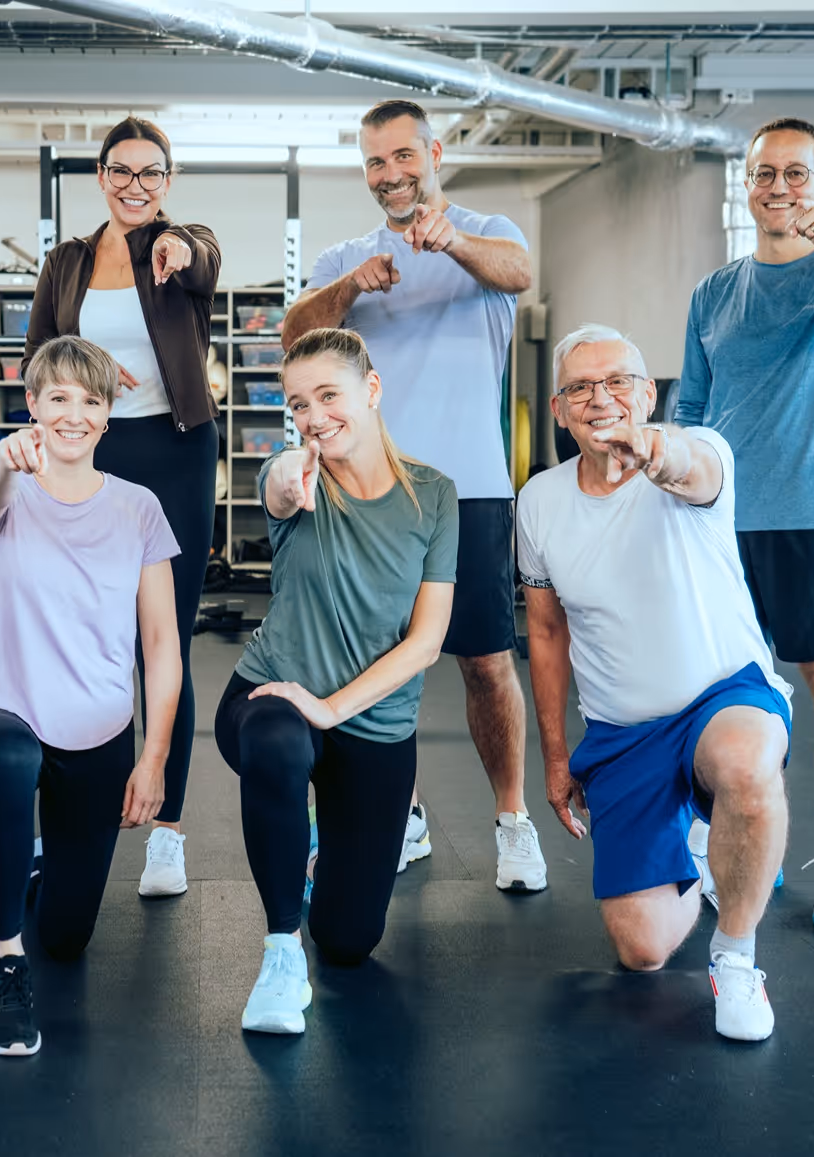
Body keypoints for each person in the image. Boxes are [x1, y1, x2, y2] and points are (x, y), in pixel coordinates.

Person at [281, 99, 544, 892]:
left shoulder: (490, 232)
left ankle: (512, 819)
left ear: (433, 152)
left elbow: (519, 275)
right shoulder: (345, 256)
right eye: (373, 162)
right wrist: (352, 288)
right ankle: (409, 816)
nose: (390, 174)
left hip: (469, 489)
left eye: (402, 157)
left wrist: (452, 241)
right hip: (371, 490)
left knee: (487, 663)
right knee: (380, 663)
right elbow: (295, 332)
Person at [519, 324, 791, 1041]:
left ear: (647, 394)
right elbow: (546, 634)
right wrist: (554, 755)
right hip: (622, 730)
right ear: (558, 409)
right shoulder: (539, 501)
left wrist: (654, 449)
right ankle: (705, 844)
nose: (598, 397)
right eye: (580, 386)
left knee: (743, 762)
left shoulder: (702, 455)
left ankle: (736, 958)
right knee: (641, 949)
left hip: (723, 693)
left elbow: (691, 467)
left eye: (616, 382)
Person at [675, 117, 814, 932]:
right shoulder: (714, 291)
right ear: (747, 182)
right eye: (765, 173)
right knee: (728, 692)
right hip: (723, 519)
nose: (778, 187)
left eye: (796, 174)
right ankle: (737, 840)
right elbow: (691, 405)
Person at [218, 328, 457, 1035]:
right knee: (280, 743)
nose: (314, 415)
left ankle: (321, 863)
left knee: (350, 943)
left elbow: (427, 641)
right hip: (271, 701)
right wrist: (288, 475)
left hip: (371, 722)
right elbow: (281, 485)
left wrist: (331, 707)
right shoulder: (298, 477)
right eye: (298, 404)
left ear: (371, 389)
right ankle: (280, 949)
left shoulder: (435, 497)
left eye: (329, 395)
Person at [0, 335, 181, 1055]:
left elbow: (162, 647)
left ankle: (39, 863)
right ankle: (5, 963)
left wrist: (155, 760)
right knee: (14, 761)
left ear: (108, 415)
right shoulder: (8, 489)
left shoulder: (139, 508)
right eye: (58, 399)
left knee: (71, 937)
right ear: (34, 406)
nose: (73, 414)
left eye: (90, 400)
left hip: (100, 734)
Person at [23, 116, 220, 899]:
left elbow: (200, 257)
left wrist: (177, 249)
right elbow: (40, 357)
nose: (136, 186)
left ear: (167, 182)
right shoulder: (67, 262)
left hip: (174, 453)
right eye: (121, 172)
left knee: (159, 636)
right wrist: (88, 365)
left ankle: (166, 826)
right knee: (76, 631)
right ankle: (65, 810)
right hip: (86, 451)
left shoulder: (185, 243)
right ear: (100, 177)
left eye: (152, 173)